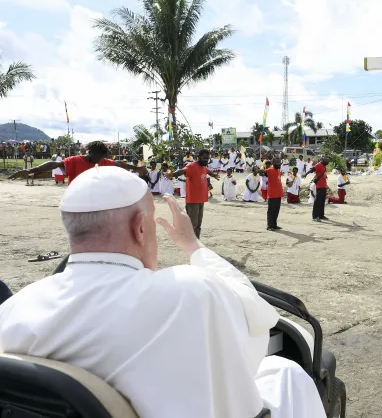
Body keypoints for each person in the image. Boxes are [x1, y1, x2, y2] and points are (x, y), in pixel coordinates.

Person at [0, 166, 325, 418]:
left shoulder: (14, 309)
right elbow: (256, 313)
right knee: (286, 374)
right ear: (140, 228)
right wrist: (193, 246)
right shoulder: (188, 293)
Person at [9, 141, 146, 184]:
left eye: (103, 156)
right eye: (100, 156)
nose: (101, 159)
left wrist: (137, 169)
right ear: (91, 153)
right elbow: (53, 164)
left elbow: (120, 164)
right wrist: (29, 171)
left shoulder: (104, 161)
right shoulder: (75, 160)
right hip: (77, 199)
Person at [173, 149, 220, 239]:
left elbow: (207, 170)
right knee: (192, 223)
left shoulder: (203, 166)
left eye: (207, 159)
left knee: (198, 223)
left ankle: (196, 239)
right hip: (193, 200)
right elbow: (183, 171)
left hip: (201, 199)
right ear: (198, 157)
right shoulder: (192, 166)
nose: (206, 160)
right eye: (204, 158)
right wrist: (173, 174)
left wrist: (213, 175)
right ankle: (189, 240)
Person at [256, 158, 283, 231]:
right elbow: (263, 172)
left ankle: (274, 224)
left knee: (276, 210)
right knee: (271, 210)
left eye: (280, 162)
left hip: (279, 193)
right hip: (272, 194)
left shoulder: (278, 170)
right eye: (278, 162)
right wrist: (257, 170)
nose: (280, 164)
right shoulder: (270, 170)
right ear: (273, 163)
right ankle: (270, 226)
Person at [306, 155, 330, 222]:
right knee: (317, 201)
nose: (327, 161)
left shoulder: (324, 165)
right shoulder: (318, 164)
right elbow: (312, 169)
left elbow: (323, 173)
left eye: (327, 159)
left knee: (322, 201)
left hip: (324, 185)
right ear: (322, 159)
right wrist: (305, 174)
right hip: (319, 186)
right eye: (326, 159)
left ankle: (321, 215)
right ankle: (315, 216)